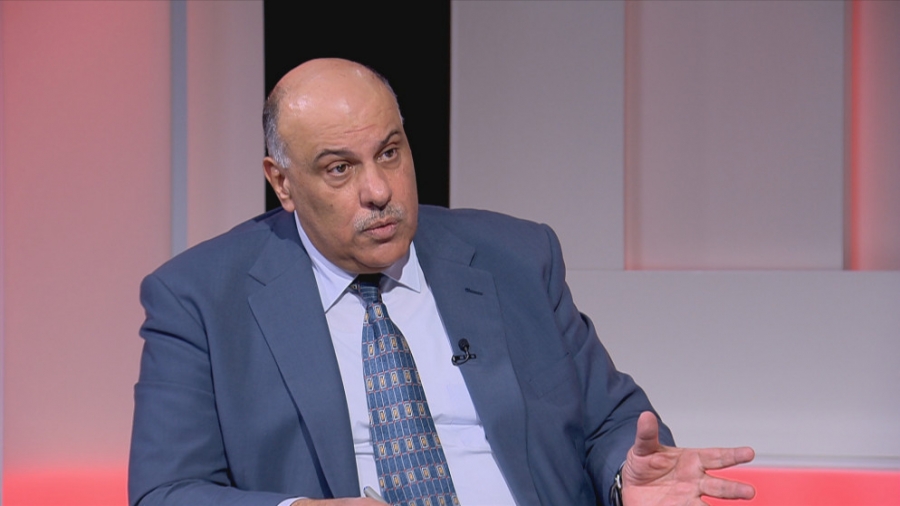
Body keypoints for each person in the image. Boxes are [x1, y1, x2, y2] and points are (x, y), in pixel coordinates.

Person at [129, 58, 755, 506]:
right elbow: (166, 491)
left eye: (390, 152)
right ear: (282, 182)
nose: (379, 190)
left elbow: (609, 422)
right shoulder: (199, 298)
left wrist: (625, 478)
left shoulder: (514, 257)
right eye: (340, 168)